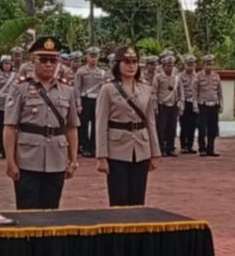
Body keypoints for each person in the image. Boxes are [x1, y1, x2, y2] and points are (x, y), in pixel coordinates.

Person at [4, 36, 79, 209]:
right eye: (43, 60)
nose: (48, 64)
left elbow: (71, 127)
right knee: (27, 211)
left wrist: (73, 160)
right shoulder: (20, 89)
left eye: (53, 60)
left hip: (56, 159)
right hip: (28, 158)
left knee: (51, 211)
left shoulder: (67, 90)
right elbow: (9, 127)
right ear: (33, 61)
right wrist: (10, 161)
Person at [95, 46, 159, 205]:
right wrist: (101, 156)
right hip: (117, 148)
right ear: (117, 64)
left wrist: (155, 152)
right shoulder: (108, 89)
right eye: (127, 62)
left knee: (138, 198)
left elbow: (150, 121)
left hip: (141, 147)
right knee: (119, 197)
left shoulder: (145, 88)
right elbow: (101, 123)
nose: (131, 66)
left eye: (134, 62)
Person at [75, 47, 107, 158]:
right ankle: (85, 147)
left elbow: (103, 89)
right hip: (85, 99)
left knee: (96, 124)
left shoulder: (102, 73)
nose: (93, 59)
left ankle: (94, 147)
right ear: (87, 57)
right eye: (91, 56)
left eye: (95, 56)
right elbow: (77, 89)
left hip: (97, 100)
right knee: (84, 125)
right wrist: (78, 104)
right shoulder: (81, 71)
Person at [195, 54, 222, 157]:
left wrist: (221, 104)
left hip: (214, 105)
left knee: (213, 128)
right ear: (203, 65)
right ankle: (202, 148)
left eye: (211, 63)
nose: (209, 66)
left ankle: (211, 149)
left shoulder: (216, 76)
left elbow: (220, 92)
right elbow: (195, 92)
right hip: (203, 105)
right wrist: (195, 105)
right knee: (202, 128)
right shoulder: (198, 76)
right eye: (207, 64)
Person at [154, 54, 180, 157]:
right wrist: (155, 106)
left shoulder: (176, 78)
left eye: (171, 65)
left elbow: (179, 90)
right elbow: (154, 92)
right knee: (161, 128)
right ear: (163, 66)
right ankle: (161, 148)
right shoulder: (158, 77)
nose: (170, 67)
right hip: (162, 105)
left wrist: (180, 102)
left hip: (173, 105)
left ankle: (170, 148)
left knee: (172, 127)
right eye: (168, 65)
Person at [179, 54, 199, 153]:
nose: (190, 66)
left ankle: (190, 146)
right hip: (184, 102)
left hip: (194, 103)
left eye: (192, 64)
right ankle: (184, 146)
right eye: (188, 64)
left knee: (193, 125)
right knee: (184, 125)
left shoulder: (197, 76)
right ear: (185, 65)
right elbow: (179, 91)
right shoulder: (180, 76)